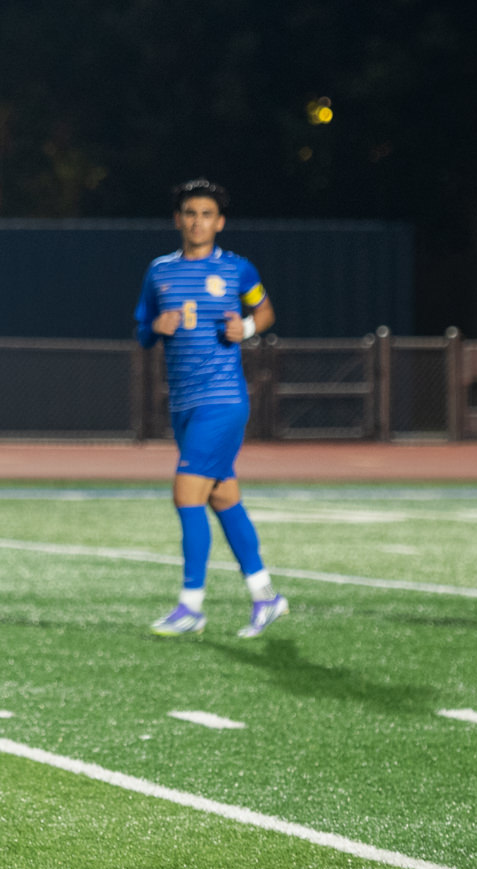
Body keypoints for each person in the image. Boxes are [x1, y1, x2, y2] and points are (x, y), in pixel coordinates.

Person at [133, 179, 288, 639]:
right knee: (223, 497)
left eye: (206, 214)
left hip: (222, 401)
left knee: (186, 493)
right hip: (183, 404)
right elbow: (143, 331)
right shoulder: (159, 271)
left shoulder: (238, 269)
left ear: (219, 222)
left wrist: (245, 327)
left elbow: (265, 313)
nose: (197, 221)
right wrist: (156, 327)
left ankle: (190, 605)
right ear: (177, 220)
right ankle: (266, 596)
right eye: (190, 213)